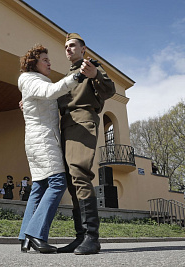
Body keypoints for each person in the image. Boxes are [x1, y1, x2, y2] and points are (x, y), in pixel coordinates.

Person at [18, 44, 82, 254]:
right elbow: (51, 91)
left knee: (39, 187)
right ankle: (36, 234)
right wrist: (77, 77)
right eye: (45, 60)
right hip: (43, 140)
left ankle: (25, 238)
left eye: (48, 59)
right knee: (57, 183)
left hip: (36, 141)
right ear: (33, 63)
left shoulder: (32, 81)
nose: (49, 63)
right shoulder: (31, 79)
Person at [57, 33, 116, 255]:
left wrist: (95, 75)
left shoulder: (91, 67)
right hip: (66, 124)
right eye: (66, 47)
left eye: (72, 45)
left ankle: (92, 237)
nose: (68, 49)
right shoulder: (68, 75)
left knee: (80, 173)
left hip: (83, 120)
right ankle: (80, 237)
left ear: (83, 50)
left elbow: (109, 90)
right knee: (72, 180)